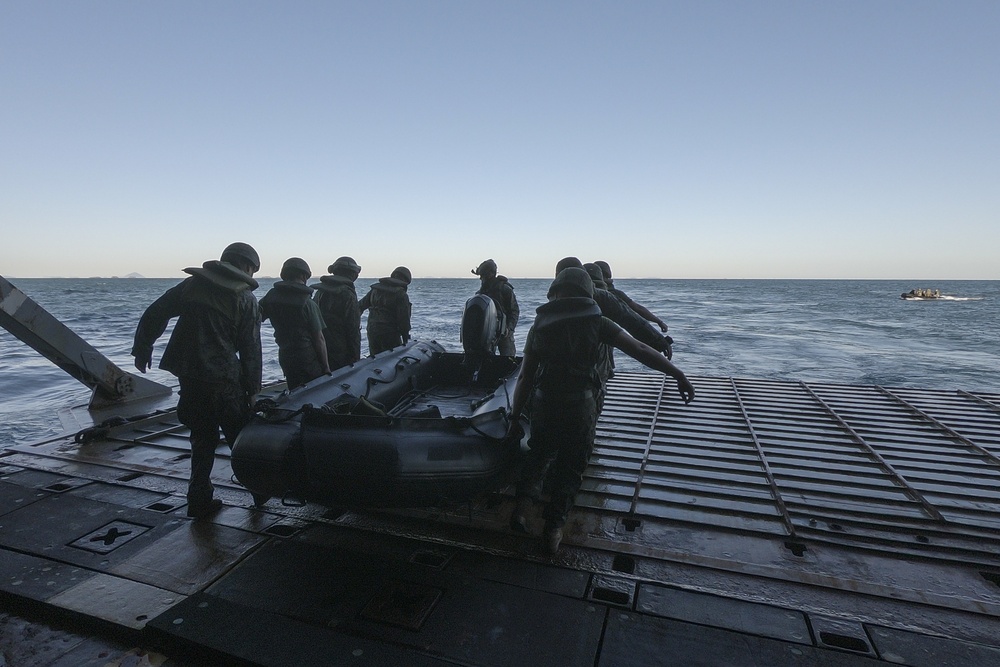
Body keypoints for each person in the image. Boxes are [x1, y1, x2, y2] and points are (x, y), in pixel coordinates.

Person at [506, 267, 694, 554]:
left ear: (555, 291)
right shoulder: (598, 323)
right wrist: (677, 373)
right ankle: (553, 529)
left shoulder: (539, 326)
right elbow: (640, 348)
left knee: (539, 454)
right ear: (588, 292)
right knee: (571, 466)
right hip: (580, 404)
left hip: (543, 402)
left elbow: (525, 377)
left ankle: (520, 508)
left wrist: (514, 415)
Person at [131, 242, 262, 519]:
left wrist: (143, 348)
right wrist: (252, 389)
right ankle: (259, 492)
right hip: (225, 381)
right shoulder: (246, 299)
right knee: (241, 439)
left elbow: (155, 312)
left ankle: (198, 498)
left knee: (201, 438)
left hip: (190, 377)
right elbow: (251, 349)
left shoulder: (192, 286)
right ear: (248, 268)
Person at [260, 257, 331, 389]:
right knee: (313, 392)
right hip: (307, 358)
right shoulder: (308, 304)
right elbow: (319, 339)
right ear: (304, 276)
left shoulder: (270, 298)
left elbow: (256, 319)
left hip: (285, 355)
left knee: (294, 389)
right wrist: (326, 367)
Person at [313, 256, 363, 370]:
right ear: (351, 273)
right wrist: (355, 359)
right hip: (340, 349)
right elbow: (353, 329)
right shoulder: (348, 294)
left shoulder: (320, 291)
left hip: (320, 347)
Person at [594, 260, 670, 333]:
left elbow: (638, 309)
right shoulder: (614, 293)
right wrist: (659, 322)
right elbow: (637, 308)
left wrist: (659, 321)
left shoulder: (585, 290)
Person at [358, 266, 412, 355]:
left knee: (374, 357)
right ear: (405, 281)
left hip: (372, 329)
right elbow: (404, 320)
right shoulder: (401, 294)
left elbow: (359, 307)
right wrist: (405, 340)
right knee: (392, 359)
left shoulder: (375, 290)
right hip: (390, 333)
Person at [471, 259, 520, 356]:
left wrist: (509, 329)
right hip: (486, 332)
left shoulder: (505, 289)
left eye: (483, 275)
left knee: (508, 359)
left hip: (504, 332)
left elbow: (514, 311)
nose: (481, 278)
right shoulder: (480, 294)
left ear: (490, 274)